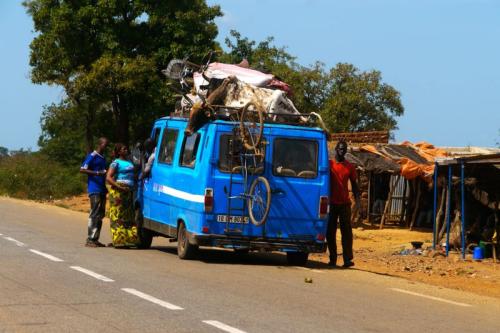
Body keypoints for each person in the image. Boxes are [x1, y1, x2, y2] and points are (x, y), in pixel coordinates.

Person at [327, 140, 360, 268]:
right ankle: (333, 258)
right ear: (336, 149)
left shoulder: (349, 167)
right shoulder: (329, 164)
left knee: (347, 233)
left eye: (344, 149)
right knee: (330, 232)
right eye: (340, 148)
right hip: (331, 203)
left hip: (344, 204)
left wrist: (358, 201)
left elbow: (355, 185)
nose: (342, 151)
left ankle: (347, 259)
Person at [106, 143, 139, 248]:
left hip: (128, 191)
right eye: (124, 149)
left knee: (128, 216)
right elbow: (109, 177)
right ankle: (119, 240)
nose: (126, 150)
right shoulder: (115, 163)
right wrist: (118, 187)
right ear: (119, 152)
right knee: (117, 216)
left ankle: (129, 240)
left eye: (126, 148)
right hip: (118, 192)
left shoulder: (129, 162)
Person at [80, 137, 109, 247]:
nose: (106, 147)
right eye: (105, 144)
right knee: (94, 213)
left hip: (101, 189)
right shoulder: (93, 156)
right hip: (94, 189)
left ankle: (95, 238)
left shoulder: (103, 158)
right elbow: (82, 169)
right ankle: (90, 239)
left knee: (100, 214)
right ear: (100, 144)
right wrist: (97, 173)